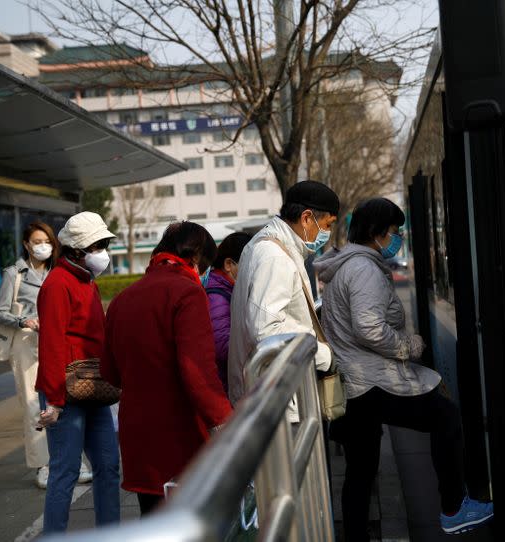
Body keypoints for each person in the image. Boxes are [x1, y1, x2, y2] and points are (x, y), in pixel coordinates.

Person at [314, 198, 494, 540]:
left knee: (361, 469)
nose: (397, 238)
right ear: (376, 233)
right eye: (394, 232)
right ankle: (454, 508)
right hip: (369, 382)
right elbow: (369, 328)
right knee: (444, 416)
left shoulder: (345, 266)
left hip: (352, 383)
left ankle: (355, 535)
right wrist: (409, 346)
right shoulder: (364, 269)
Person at [102, 221, 232, 516]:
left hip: (137, 436)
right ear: (196, 259)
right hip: (179, 434)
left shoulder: (122, 300)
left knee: (153, 522)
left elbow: (110, 373)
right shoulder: (187, 293)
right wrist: (226, 420)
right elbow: (198, 373)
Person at [35, 211, 120, 533]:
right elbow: (52, 344)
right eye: (97, 245)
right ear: (76, 250)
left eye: (103, 244)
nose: (102, 252)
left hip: (91, 386)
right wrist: (54, 401)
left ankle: (111, 534)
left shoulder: (86, 281)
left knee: (109, 466)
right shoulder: (58, 283)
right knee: (65, 471)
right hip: (64, 392)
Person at [0, 222, 93, 489]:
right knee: (33, 406)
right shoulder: (14, 273)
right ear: (26, 244)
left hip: (58, 343)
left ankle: (73, 459)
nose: (43, 246)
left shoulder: (61, 271)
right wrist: (25, 320)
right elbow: (1, 313)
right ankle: (43, 465)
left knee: (67, 398)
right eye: (37, 241)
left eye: (47, 241)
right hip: (27, 345)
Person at [227, 181, 339, 411]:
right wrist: (324, 356)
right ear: (307, 218)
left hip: (271, 392)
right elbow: (265, 331)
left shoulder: (266, 245)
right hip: (276, 400)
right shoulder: (273, 256)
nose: (327, 233)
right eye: (327, 225)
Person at [206, 231, 252, 392]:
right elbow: (224, 348)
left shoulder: (229, 290)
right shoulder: (216, 297)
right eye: (249, 265)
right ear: (228, 265)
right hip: (224, 389)